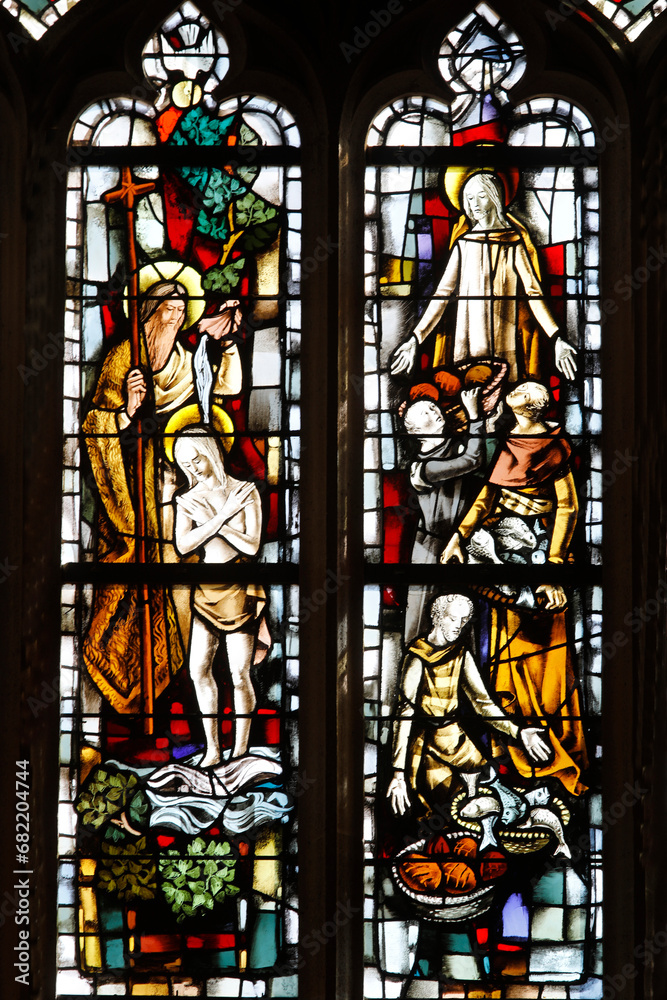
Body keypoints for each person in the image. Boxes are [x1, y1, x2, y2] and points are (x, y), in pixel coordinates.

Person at [82, 276, 242, 714]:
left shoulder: (188, 360)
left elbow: (224, 390)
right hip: (134, 492)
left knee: (182, 579)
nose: (172, 318)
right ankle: (140, 689)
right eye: (164, 310)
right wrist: (127, 412)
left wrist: (226, 343)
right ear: (147, 314)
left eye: (178, 311)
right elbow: (97, 424)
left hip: (179, 484)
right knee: (137, 579)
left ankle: (181, 686)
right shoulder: (123, 359)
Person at [440, 383, 589, 796]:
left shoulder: (553, 446)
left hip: (540, 558)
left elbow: (568, 507)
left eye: (517, 398)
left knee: (549, 666)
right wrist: (460, 535)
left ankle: (557, 753)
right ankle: (513, 754)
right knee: (504, 661)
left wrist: (554, 566)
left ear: (527, 408)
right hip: (504, 558)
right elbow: (489, 496)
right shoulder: (510, 440)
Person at [390, 171, 578, 383]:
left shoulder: (512, 243)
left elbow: (533, 292)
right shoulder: (464, 244)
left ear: (494, 196)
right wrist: (416, 338)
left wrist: (556, 338)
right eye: (469, 198)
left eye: (481, 195)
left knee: (503, 393)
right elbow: (442, 295)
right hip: (467, 341)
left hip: (504, 341)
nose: (475, 203)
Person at [387, 594, 551, 817]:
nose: (459, 627)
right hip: (428, 746)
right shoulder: (417, 657)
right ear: (437, 618)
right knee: (447, 808)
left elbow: (483, 704)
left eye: (464, 621)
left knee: (485, 796)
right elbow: (405, 713)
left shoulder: (460, 654)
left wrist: (519, 732)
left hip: (457, 739)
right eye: (454, 619)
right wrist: (398, 773)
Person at [173, 429, 269, 766]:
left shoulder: (245, 491)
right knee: (199, 669)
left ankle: (240, 748)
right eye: (185, 464)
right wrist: (221, 517)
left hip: (238, 586)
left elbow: (252, 545)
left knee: (239, 673)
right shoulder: (186, 499)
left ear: (210, 450)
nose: (193, 468)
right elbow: (183, 546)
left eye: (196, 458)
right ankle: (214, 749)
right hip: (207, 588)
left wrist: (219, 519)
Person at [401, 387, 484, 642]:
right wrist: (474, 415)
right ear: (414, 432)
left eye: (434, 407)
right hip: (430, 547)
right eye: (425, 411)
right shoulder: (425, 468)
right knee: (421, 621)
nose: (434, 410)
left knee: (462, 619)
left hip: (462, 543)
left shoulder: (453, 444)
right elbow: (471, 460)